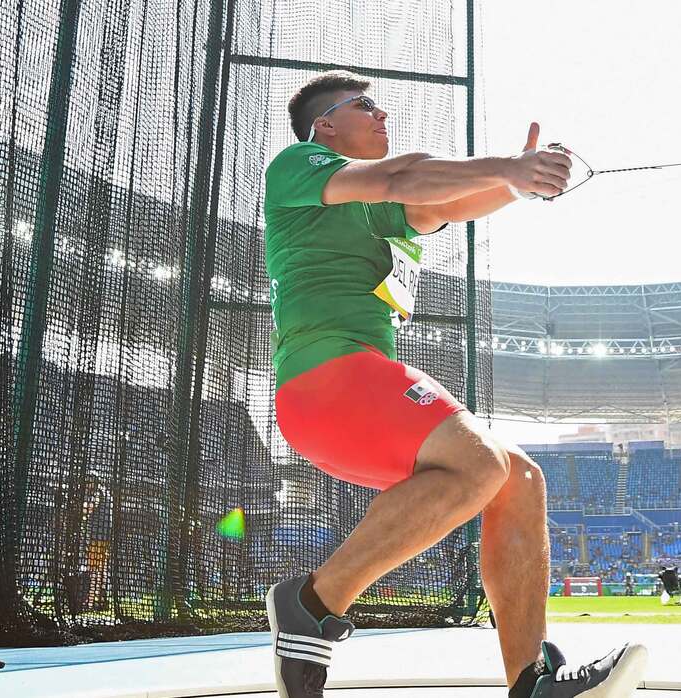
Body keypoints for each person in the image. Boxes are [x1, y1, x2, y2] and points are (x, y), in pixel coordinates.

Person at [262, 71, 647, 698]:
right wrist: (509, 165)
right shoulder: (299, 163)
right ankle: (313, 603)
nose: (381, 112)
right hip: (325, 382)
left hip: (356, 396)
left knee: (518, 478)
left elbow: (434, 203)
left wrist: (520, 183)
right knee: (479, 464)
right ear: (324, 125)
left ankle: (532, 680)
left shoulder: (369, 208)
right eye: (363, 105)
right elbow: (402, 176)